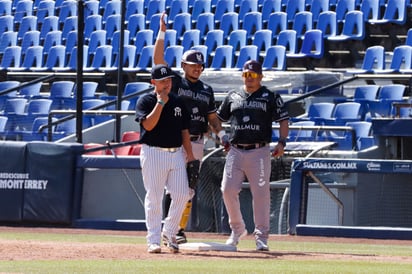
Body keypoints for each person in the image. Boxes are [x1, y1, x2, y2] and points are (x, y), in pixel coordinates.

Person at [153, 12, 225, 244]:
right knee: (172, 187)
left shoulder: (206, 90)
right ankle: (167, 227)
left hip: (197, 140)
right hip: (175, 140)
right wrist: (162, 32)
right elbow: (157, 60)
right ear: (183, 65)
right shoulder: (174, 82)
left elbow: (212, 117)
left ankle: (178, 229)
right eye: (193, 65)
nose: (197, 68)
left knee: (190, 186)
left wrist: (222, 135)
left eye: (200, 65)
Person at [217, 60, 289, 251]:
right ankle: (237, 228)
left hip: (259, 150)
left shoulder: (270, 96)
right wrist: (221, 136)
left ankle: (261, 236)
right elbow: (217, 119)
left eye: (253, 75)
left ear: (260, 76)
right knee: (227, 189)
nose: (249, 79)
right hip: (235, 149)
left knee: (261, 193)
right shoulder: (233, 95)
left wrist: (282, 141)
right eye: (246, 75)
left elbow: (283, 119)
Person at [135, 64, 195, 254]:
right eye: (162, 81)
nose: (166, 84)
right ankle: (153, 239)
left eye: (168, 80)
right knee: (154, 197)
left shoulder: (178, 101)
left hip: (176, 152)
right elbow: (149, 125)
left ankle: (169, 231)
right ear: (153, 82)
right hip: (153, 152)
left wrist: (190, 155)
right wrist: (160, 103)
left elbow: (184, 130)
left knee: (182, 194)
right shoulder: (145, 100)